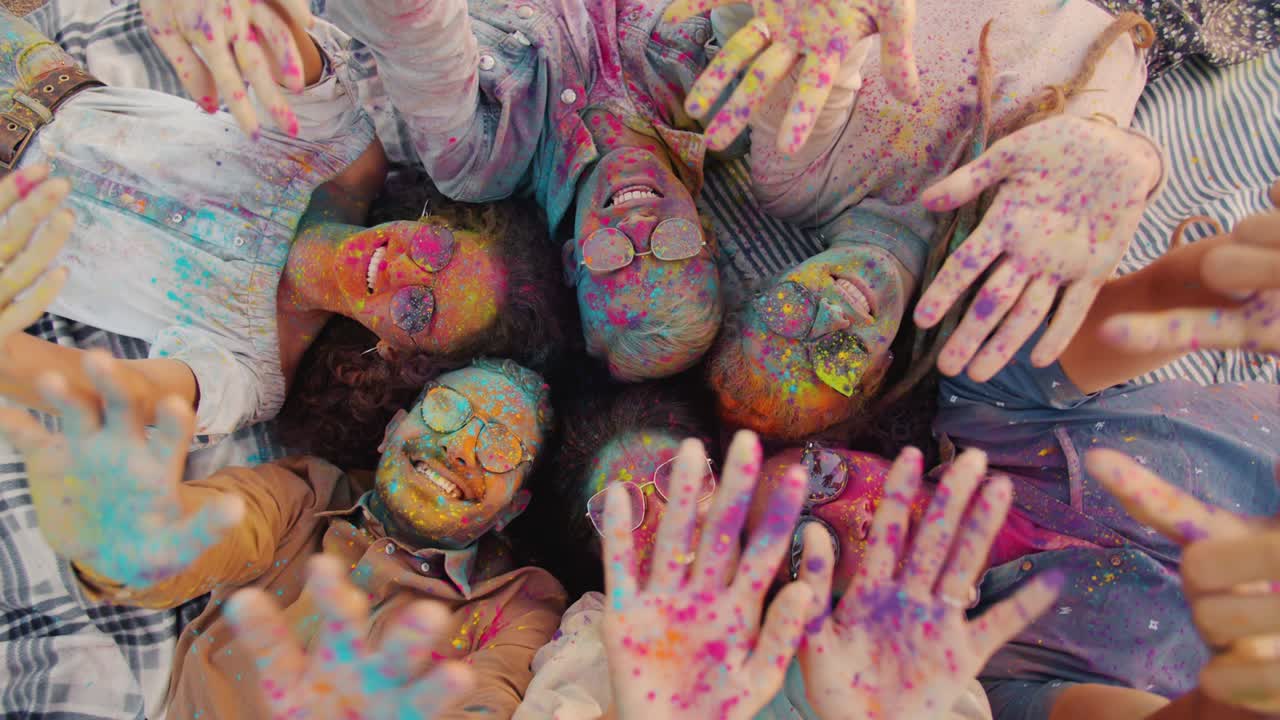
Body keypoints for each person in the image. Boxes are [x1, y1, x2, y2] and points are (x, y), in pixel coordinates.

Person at [0, 3, 567, 447]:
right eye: (437, 249)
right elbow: (268, 33)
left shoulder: (249, 375)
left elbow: (105, 394)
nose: (405, 269)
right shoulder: (343, 156)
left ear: (398, 353)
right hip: (20, 66)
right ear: (440, 219)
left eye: (418, 308)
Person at [0, 354, 568, 719]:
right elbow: (213, 526)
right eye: (446, 410)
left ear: (511, 510)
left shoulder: (519, 602)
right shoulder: (302, 496)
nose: (461, 447)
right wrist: (130, 545)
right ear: (393, 428)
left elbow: (491, 700)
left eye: (499, 449)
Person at [704, 0, 1165, 440]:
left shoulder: (795, 181)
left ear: (767, 284)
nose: (830, 316)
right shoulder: (999, 275)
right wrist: (1141, 163)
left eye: (788, 312)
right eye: (838, 358)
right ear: (879, 370)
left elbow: (815, 48)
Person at [515, 432, 1058, 719]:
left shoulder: (875, 644)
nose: (663, 513)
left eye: (680, 478)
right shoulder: (595, 640)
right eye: (617, 508)